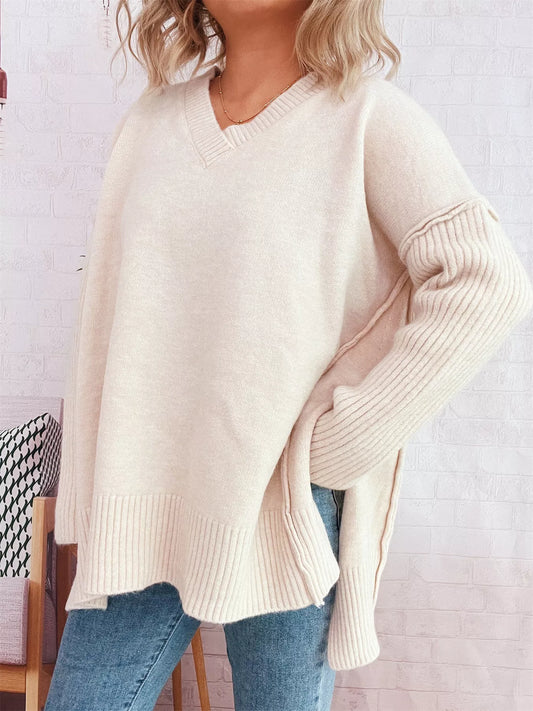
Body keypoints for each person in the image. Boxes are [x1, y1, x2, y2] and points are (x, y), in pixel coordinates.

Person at [45, 1, 533, 710]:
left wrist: (342, 442)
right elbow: (111, 322)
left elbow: (484, 280)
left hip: (284, 500)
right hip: (144, 494)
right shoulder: (148, 125)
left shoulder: (367, 118)